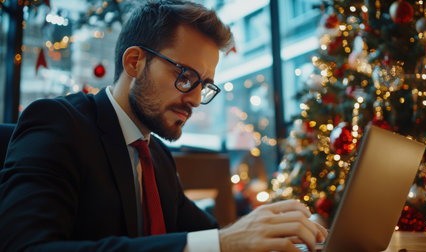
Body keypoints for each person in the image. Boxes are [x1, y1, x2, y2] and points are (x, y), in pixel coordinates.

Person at [0, 1, 327, 251]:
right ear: (134, 62)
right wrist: (223, 243)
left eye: (204, 85)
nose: (197, 100)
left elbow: (209, 235)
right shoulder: (58, 124)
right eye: (185, 77)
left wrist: (269, 234)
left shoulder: (155, 155)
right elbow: (28, 247)